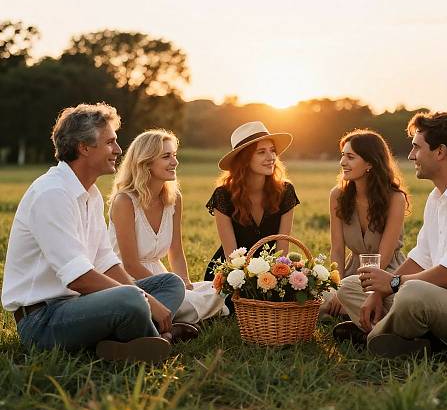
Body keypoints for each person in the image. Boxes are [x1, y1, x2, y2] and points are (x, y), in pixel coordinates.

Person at [1, 103, 194, 363]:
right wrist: (142, 298)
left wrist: (142, 296)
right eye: (110, 142)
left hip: (81, 305)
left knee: (169, 283)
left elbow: (106, 261)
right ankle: (158, 339)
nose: (118, 150)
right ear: (84, 147)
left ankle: (131, 340)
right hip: (42, 320)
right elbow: (78, 278)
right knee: (131, 297)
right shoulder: (52, 194)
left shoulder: (90, 194)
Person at [335, 111, 447, 357]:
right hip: (438, 302)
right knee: (352, 286)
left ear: (440, 152)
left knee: (412, 292)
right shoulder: (437, 196)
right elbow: (421, 258)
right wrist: (379, 291)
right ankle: (420, 342)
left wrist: (393, 283)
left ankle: (374, 339)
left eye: (417, 148)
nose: (411, 155)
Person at [109, 129, 226, 325]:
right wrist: (173, 287)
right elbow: (130, 264)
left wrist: (185, 284)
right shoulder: (125, 201)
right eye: (166, 156)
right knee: (190, 299)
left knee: (216, 290)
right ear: (146, 163)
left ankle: (173, 315)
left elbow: (176, 251)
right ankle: (169, 316)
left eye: (174, 155)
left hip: (163, 278)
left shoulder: (173, 199)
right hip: (127, 281)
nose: (175, 162)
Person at [324, 129, 408, 320]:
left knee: (399, 305)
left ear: (370, 163)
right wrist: (338, 288)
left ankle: (356, 317)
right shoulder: (337, 195)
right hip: (351, 275)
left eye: (350, 157)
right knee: (320, 300)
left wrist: (348, 293)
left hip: (386, 274)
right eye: (342, 156)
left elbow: (384, 257)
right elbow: (337, 249)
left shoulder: (395, 198)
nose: (342, 162)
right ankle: (359, 317)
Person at [203, 121, 300, 285]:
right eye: (261, 152)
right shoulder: (223, 195)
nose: (271, 158)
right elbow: (232, 256)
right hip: (233, 275)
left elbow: (282, 247)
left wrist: (274, 280)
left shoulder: (285, 192)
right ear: (244, 159)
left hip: (272, 273)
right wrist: (251, 284)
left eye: (272, 151)